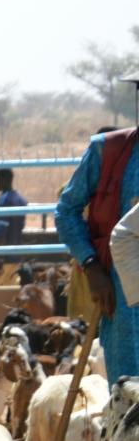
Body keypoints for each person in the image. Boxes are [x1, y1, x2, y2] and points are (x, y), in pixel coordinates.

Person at [55, 126, 139, 382]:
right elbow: (67, 210)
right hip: (123, 296)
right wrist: (92, 266)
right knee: (128, 395)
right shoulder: (108, 150)